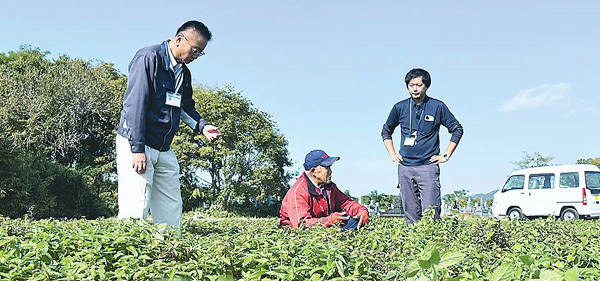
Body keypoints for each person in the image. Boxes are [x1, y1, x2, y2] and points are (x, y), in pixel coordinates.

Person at [116, 20, 221, 230]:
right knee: (136, 205)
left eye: (200, 53)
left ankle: (169, 252)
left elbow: (185, 106)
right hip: (138, 141)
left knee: (170, 206)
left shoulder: (184, 73)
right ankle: (127, 256)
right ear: (180, 39)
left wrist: (202, 126)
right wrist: (137, 149)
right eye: (195, 50)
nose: (196, 56)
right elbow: (135, 104)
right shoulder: (149, 57)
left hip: (163, 146)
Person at [381, 68, 463, 223]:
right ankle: (414, 245)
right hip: (405, 167)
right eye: (411, 85)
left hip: (428, 166)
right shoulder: (400, 107)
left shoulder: (437, 106)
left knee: (431, 212)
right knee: (410, 212)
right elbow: (386, 131)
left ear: (426, 86)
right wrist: (392, 153)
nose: (415, 88)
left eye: (419, 85)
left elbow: (457, 129)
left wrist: (446, 155)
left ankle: (433, 244)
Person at [279, 150, 370, 229]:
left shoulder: (329, 187)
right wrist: (329, 221)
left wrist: (361, 210)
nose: (331, 171)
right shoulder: (297, 193)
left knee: (356, 221)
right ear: (314, 171)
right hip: (299, 239)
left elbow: (346, 203)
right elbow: (302, 225)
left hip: (324, 230)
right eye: (327, 167)